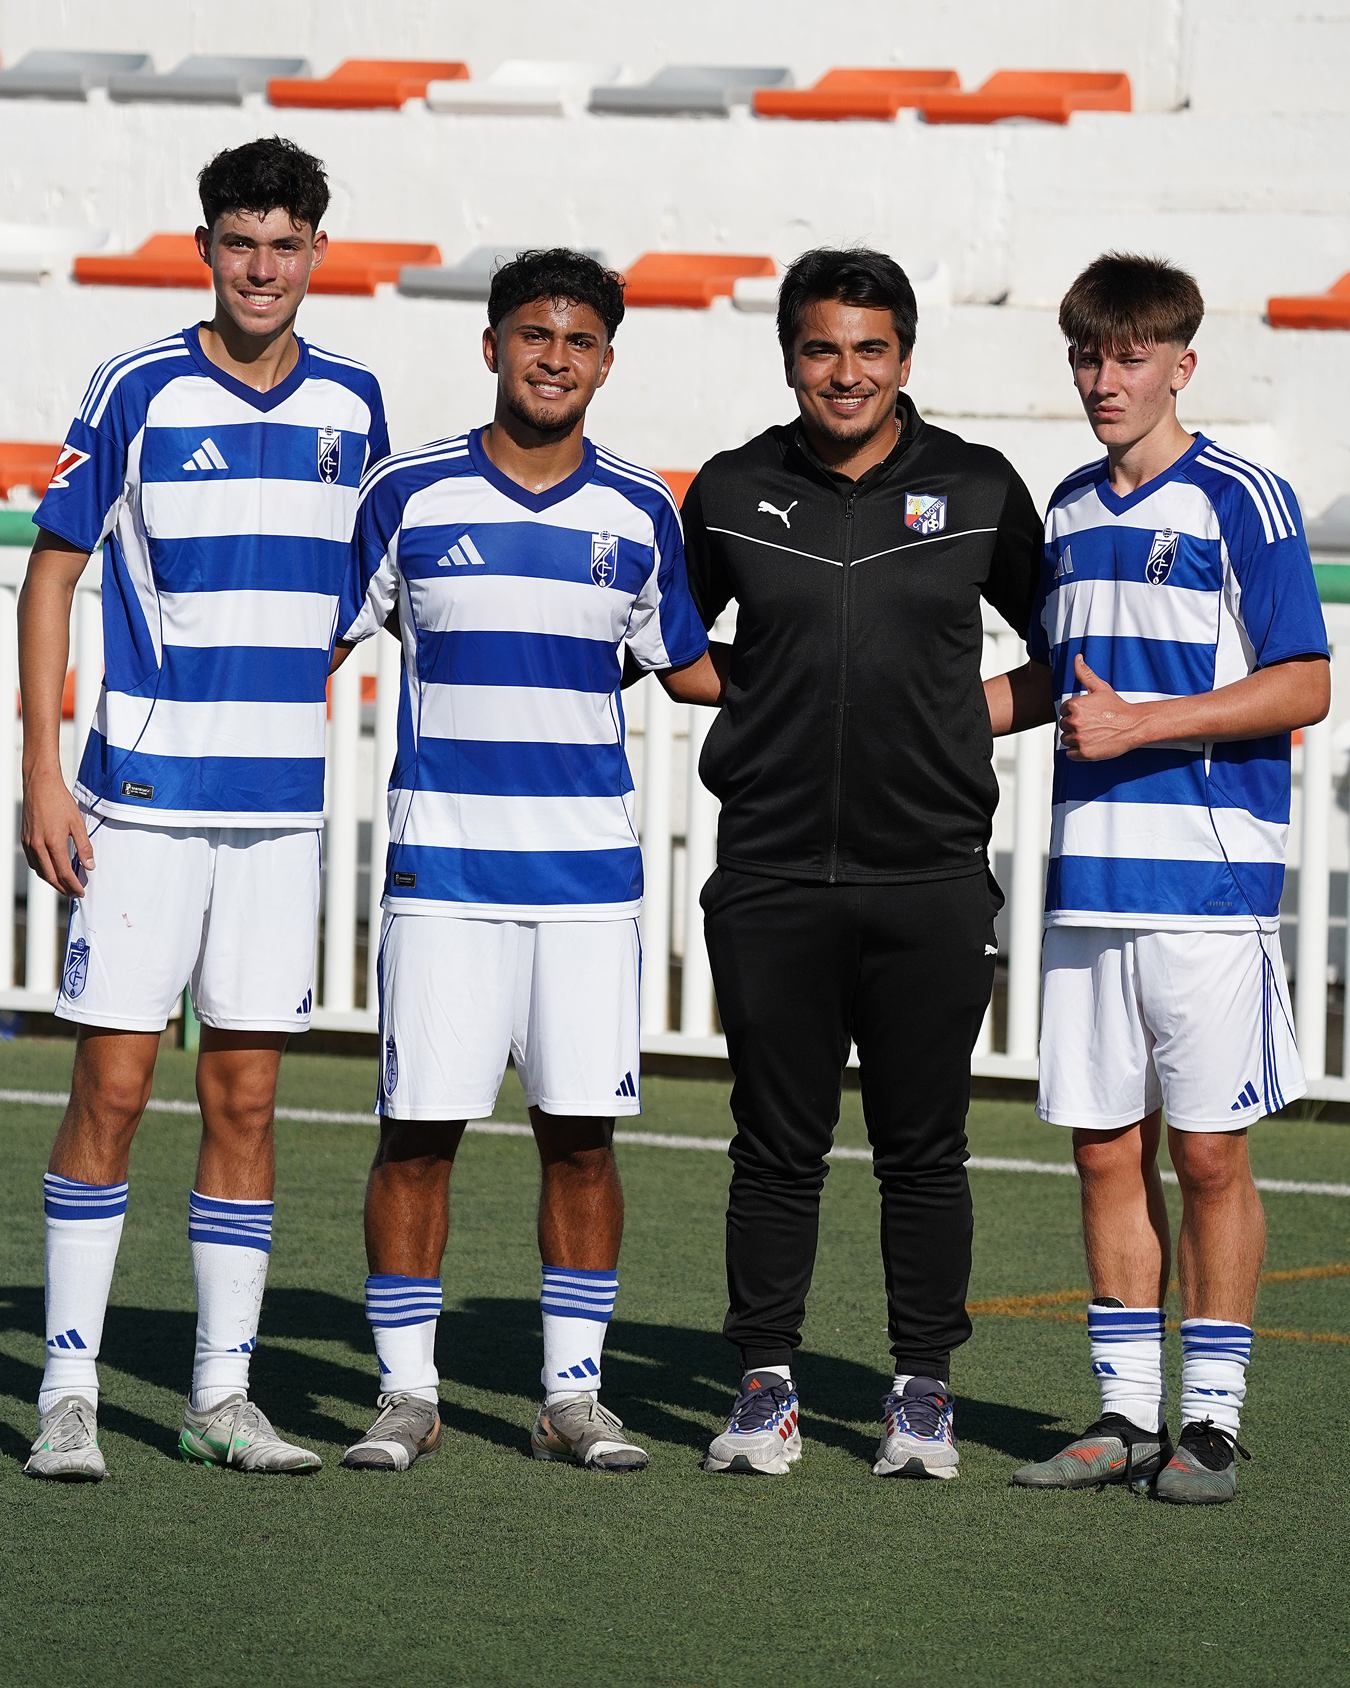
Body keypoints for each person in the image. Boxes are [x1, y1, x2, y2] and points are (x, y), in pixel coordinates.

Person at [22, 137, 389, 1481]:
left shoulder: (356, 400)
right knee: (110, 1089)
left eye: (284, 244)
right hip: (139, 804)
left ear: (313, 254)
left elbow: (358, 592)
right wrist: (43, 775)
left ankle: (217, 1397)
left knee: (246, 1099)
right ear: (206, 249)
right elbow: (50, 580)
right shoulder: (134, 386)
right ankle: (68, 1390)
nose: (260, 267)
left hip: (281, 817)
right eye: (239, 243)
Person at [333, 248, 720, 1475]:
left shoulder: (642, 509)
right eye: (534, 335)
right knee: (416, 1132)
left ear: (608, 358)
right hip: (442, 874)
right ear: (492, 343)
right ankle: (407, 1391)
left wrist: (852, 687)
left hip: (586, 881)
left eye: (581, 341)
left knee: (583, 1138)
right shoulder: (407, 494)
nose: (556, 358)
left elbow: (696, 664)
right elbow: (318, 639)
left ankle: (571, 1395)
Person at [679, 247, 1043, 1479]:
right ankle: (765, 1385)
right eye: (823, 348)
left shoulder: (981, 486)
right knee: (774, 1144)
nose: (847, 373)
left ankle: (922, 1390)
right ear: (791, 356)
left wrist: (960, 712)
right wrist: (778, 698)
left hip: (932, 872)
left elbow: (1065, 645)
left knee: (922, 1148)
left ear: (906, 358)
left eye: (870, 348)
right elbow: (675, 645)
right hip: (771, 871)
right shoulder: (729, 489)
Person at [989, 253, 1328, 1504]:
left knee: (1209, 1156)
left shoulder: (1247, 496)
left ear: (1183, 364)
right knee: (1101, 1152)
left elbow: (1305, 680)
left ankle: (1216, 1419)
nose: (1104, 379)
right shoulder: (1068, 507)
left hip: (1211, 885)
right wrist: (928, 717)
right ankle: (1126, 1414)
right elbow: (1055, 682)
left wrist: (1147, 727)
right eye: (1087, 355)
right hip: (1089, 886)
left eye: (1130, 356)